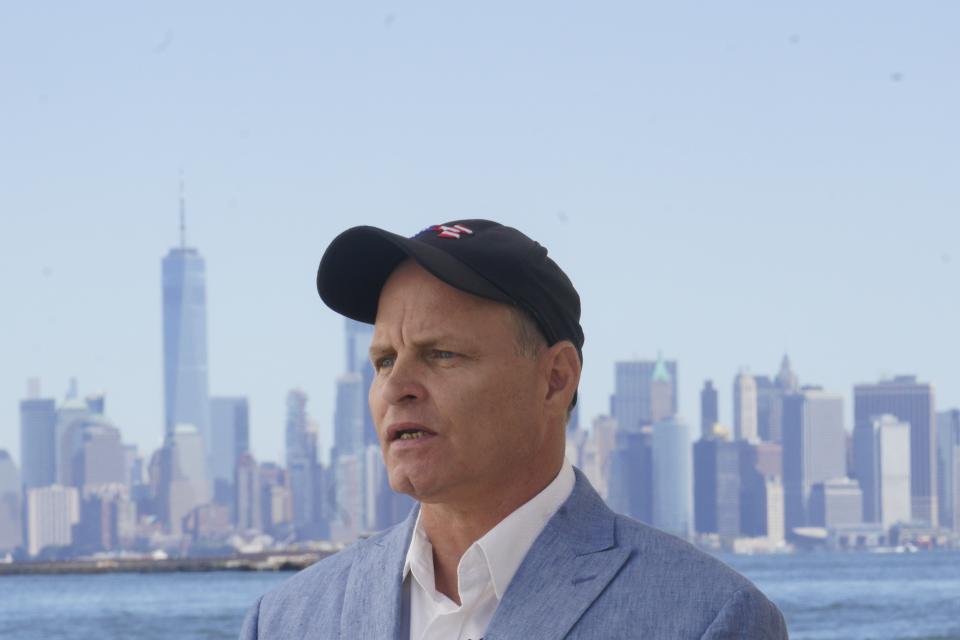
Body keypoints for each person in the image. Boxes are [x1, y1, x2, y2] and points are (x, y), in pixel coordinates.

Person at [240, 220, 788, 639]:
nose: (396, 386)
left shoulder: (706, 620)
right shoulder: (285, 621)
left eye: (441, 354)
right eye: (383, 360)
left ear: (555, 379)